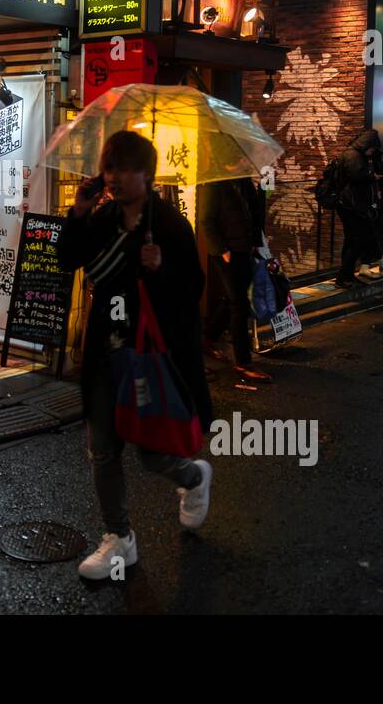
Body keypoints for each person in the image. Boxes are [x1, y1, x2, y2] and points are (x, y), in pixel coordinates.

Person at [57, 130, 214, 581]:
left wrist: (160, 270)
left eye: (125, 168)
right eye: (110, 168)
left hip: (147, 356)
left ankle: (194, 477)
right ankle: (119, 539)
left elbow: (192, 293)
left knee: (151, 453)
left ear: (147, 174)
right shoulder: (103, 217)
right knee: (102, 450)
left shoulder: (168, 225)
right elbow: (69, 259)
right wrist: (79, 212)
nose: (115, 177)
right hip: (106, 352)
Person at [198, 176, 272, 383]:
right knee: (239, 302)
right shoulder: (212, 183)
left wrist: (256, 241)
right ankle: (243, 362)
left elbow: (253, 211)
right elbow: (206, 220)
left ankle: (209, 337)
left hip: (245, 248)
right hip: (227, 253)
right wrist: (222, 250)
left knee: (238, 299)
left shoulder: (243, 181)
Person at [333, 129, 383, 288]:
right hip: (352, 205)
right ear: (367, 145)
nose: (373, 152)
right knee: (356, 241)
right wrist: (372, 176)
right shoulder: (353, 155)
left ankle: (347, 275)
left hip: (354, 205)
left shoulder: (357, 155)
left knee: (354, 241)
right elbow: (355, 175)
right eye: (372, 148)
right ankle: (343, 277)